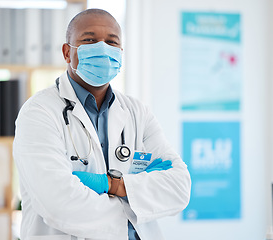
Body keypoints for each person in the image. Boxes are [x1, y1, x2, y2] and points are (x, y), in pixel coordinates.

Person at [13, 8, 191, 240]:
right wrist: (135, 198)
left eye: (111, 42)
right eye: (89, 40)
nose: (102, 48)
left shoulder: (137, 112)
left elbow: (179, 188)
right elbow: (58, 202)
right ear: (67, 52)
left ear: (120, 52)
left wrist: (111, 185)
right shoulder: (38, 113)